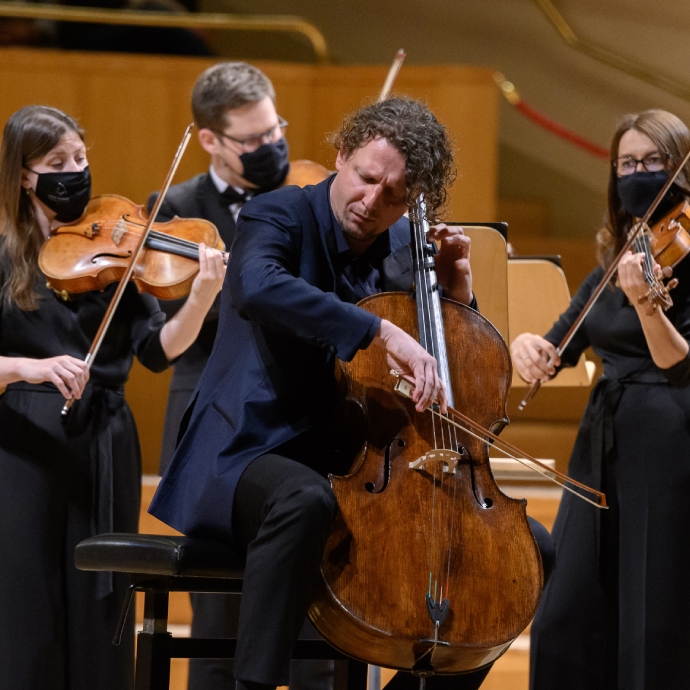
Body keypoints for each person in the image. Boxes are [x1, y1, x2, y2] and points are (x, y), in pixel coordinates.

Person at [150, 96, 555, 690]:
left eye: (395, 196)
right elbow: (259, 287)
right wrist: (378, 329)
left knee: (527, 546)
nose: (373, 202)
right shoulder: (276, 214)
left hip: (354, 464)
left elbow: (455, 376)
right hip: (246, 451)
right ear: (342, 155)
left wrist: (456, 296)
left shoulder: (401, 250)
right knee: (303, 502)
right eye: (366, 178)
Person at [0, 105, 225, 690]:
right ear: (24, 175)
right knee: (28, 603)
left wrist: (200, 296)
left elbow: (158, 349)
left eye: (80, 157)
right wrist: (31, 365)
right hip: (22, 445)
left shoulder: (120, 255)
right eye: (57, 163)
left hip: (103, 438)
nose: (76, 171)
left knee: (102, 604)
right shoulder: (5, 256)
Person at [149, 61, 329, 690]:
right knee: (220, 610)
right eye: (251, 141)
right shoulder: (174, 211)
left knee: (315, 601)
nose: (271, 147)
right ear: (210, 142)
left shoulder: (314, 200)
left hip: (298, 411)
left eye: (275, 129)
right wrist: (211, 290)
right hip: (212, 416)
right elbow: (169, 342)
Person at [511, 109, 690, 690]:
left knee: (652, 606)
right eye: (626, 164)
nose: (637, 174)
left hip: (669, 437)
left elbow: (680, 363)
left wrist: (646, 305)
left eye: (652, 163)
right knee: (569, 601)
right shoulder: (618, 255)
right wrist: (530, 348)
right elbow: (561, 339)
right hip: (602, 439)